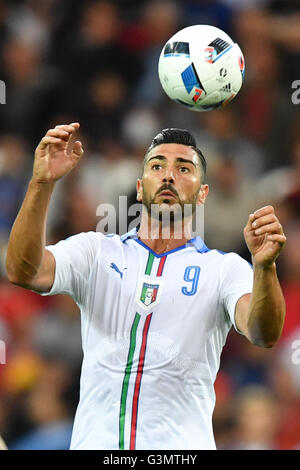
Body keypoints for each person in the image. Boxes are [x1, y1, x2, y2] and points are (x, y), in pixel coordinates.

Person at [6, 123, 286, 450]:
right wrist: (42, 183)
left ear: (203, 193)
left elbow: (264, 333)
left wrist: (265, 267)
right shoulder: (96, 252)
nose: (168, 175)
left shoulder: (223, 270)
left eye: (183, 168)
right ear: (140, 188)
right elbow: (23, 271)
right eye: (157, 166)